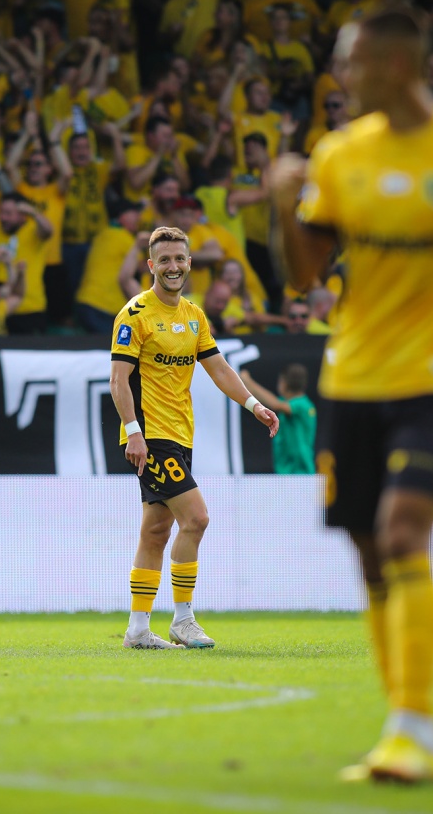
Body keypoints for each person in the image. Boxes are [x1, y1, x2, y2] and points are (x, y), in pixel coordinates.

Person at [269, 7, 433, 783]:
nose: (339, 77)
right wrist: (285, 205)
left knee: (402, 535)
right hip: (350, 379)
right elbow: (303, 275)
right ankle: (404, 725)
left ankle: (414, 726)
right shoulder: (340, 154)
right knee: (368, 554)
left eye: (349, 63)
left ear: (393, 65)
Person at [109, 225, 278, 651]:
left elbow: (218, 368)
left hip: (181, 435)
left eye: (179, 259)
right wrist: (133, 432)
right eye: (164, 260)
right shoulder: (134, 314)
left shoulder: (194, 315)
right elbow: (118, 380)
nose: (173, 267)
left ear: (189, 263)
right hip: (151, 436)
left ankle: (137, 630)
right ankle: (183, 620)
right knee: (197, 518)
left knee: (155, 531)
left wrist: (254, 405)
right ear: (151, 265)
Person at [241, 364, 317, 475]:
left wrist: (248, 382)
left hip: (300, 472)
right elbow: (273, 401)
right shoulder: (292, 403)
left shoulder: (302, 405)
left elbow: (275, 404)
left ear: (284, 383)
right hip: (287, 471)